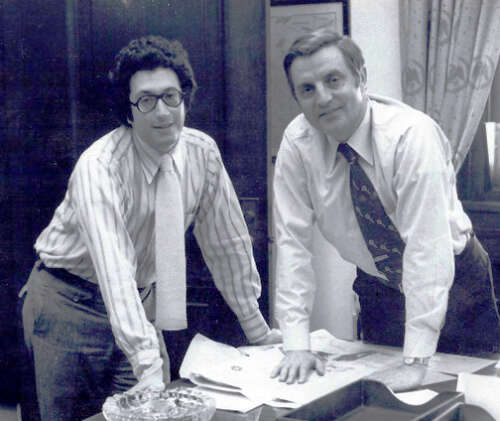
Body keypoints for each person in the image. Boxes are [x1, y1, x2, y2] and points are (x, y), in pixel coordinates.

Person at [21, 35, 277, 421]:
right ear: (128, 112)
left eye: (171, 97)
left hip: (137, 305)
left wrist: (257, 330)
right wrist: (147, 363)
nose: (162, 112)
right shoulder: (100, 167)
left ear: (184, 99)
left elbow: (227, 246)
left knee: (154, 414)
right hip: (69, 305)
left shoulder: (202, 154)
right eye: (146, 100)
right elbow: (115, 269)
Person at [270, 28, 500, 391]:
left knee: (470, 394)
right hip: (379, 285)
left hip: (455, 279)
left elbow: (427, 250)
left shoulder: (411, 136)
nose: (323, 98)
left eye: (333, 80)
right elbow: (291, 242)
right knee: (385, 401)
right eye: (307, 89)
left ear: (361, 77)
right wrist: (296, 343)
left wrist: (416, 361)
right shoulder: (297, 143)